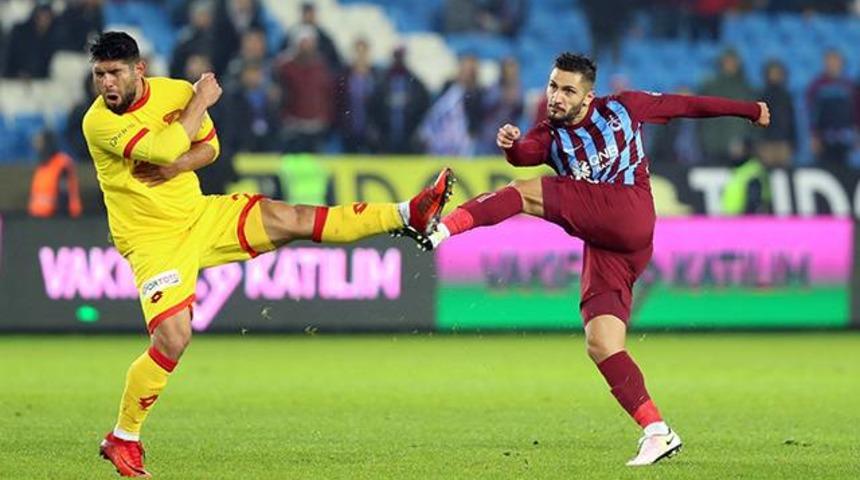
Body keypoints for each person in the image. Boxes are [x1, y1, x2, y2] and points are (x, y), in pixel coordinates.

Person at [83, 32, 453, 478]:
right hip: (152, 240)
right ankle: (124, 436)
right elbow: (162, 147)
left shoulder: (174, 93)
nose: (107, 84)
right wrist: (201, 100)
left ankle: (406, 213)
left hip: (199, 214)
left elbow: (208, 147)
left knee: (291, 217)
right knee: (173, 338)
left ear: (138, 69)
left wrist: (181, 164)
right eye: (100, 74)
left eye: (115, 72)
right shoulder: (98, 122)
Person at [401, 52, 770, 466]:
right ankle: (657, 430)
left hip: (629, 210)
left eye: (568, 90)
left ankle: (442, 228)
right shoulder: (549, 134)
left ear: (587, 96)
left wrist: (749, 110)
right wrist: (511, 145)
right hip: (612, 245)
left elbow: (686, 106)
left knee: (524, 192)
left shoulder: (623, 107)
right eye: (552, 86)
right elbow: (525, 153)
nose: (557, 97)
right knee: (602, 343)